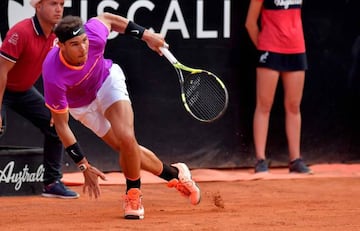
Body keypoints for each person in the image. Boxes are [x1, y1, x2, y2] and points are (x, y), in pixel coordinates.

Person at [41, 13, 201, 220]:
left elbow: (109, 19)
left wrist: (147, 36)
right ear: (60, 45)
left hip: (107, 82)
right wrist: (84, 166)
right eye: (74, 44)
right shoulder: (53, 73)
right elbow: (62, 126)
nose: (83, 49)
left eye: (84, 41)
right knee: (124, 148)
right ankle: (175, 174)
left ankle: (133, 193)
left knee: (126, 137)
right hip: (82, 106)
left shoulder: (94, 36)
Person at [0, 0, 79, 198]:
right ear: (38, 6)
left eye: (61, 3)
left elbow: (58, 71)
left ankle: (52, 183)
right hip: (2, 85)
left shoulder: (57, 35)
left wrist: (57, 105)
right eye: (53, 3)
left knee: (56, 125)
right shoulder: (21, 32)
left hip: (23, 90)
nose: (59, 8)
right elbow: (2, 71)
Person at [245, 0, 312, 174]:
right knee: (264, 105)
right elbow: (250, 23)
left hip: (297, 49)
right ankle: (260, 159)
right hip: (270, 49)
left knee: (294, 106)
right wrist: (264, 47)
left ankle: (295, 160)